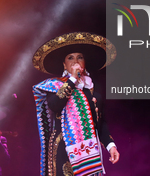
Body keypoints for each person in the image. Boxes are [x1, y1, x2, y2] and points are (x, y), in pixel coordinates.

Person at [32, 32, 119, 176]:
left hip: (89, 152)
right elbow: (55, 105)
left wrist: (111, 146)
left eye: (80, 57)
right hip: (63, 149)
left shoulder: (93, 90)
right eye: (70, 58)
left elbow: (100, 122)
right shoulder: (55, 85)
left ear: (85, 63)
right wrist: (72, 80)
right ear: (64, 64)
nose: (75, 61)